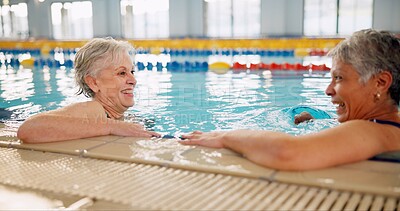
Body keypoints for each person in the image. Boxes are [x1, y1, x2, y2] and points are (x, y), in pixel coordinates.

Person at [180, 29, 400, 171]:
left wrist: (225, 136)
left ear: (380, 83)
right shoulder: (386, 127)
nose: (328, 90)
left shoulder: (371, 130)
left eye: (339, 78)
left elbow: (288, 153)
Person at [17, 37, 160, 143]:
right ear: (93, 83)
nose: (133, 81)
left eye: (132, 72)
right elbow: (28, 129)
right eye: (122, 73)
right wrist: (111, 126)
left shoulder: (113, 116)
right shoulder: (95, 109)